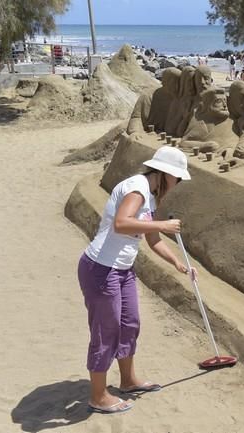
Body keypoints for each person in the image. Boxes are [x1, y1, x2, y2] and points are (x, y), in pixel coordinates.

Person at [77, 146, 196, 414]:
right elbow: (122, 223)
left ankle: (128, 380)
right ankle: (98, 395)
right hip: (100, 268)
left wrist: (178, 263)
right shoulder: (138, 188)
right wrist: (163, 225)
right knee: (105, 331)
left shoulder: (151, 196)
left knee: (129, 323)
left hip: (122, 270)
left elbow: (152, 240)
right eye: (177, 178)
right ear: (165, 174)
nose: (176, 184)